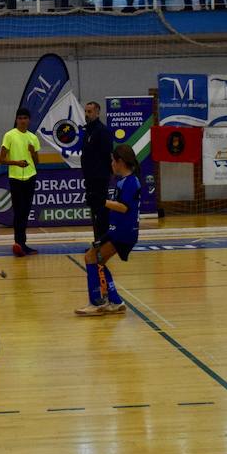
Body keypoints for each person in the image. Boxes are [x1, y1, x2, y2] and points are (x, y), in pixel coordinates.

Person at [76, 144, 140, 316]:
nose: (111, 164)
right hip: (117, 230)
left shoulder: (131, 182)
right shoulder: (124, 181)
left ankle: (97, 303)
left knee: (92, 257)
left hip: (123, 232)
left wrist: (101, 201)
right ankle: (114, 301)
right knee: (96, 259)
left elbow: (125, 208)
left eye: (113, 160)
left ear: (120, 162)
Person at [0, 107, 41, 256]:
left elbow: (37, 161)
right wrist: (17, 163)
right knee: (18, 212)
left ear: (29, 120)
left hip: (30, 177)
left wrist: (32, 151)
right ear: (16, 120)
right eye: (20, 118)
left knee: (25, 211)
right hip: (16, 178)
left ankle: (22, 243)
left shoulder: (33, 137)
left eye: (25, 118)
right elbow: (1, 159)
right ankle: (18, 243)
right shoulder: (9, 135)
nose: (23, 121)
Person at [82, 101, 115, 241]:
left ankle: (103, 240)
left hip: (100, 177)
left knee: (101, 209)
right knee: (94, 209)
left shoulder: (102, 131)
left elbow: (107, 154)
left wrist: (106, 173)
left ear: (97, 112)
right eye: (86, 111)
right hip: (90, 177)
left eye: (90, 112)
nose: (87, 114)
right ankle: (97, 241)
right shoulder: (88, 130)